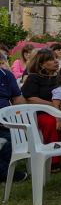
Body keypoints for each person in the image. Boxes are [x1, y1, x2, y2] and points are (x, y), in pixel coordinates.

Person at [21, 49, 61, 169]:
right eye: (51, 59)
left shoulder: (58, 78)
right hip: (40, 113)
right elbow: (31, 98)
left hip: (59, 111)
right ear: (42, 64)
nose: (56, 61)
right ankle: (53, 161)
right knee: (50, 123)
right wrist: (53, 105)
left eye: (56, 58)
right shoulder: (34, 78)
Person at [0, 50, 27, 184]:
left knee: (17, 138)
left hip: (6, 121)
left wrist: (21, 118)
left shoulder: (6, 76)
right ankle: (4, 173)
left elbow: (17, 98)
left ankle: (4, 171)